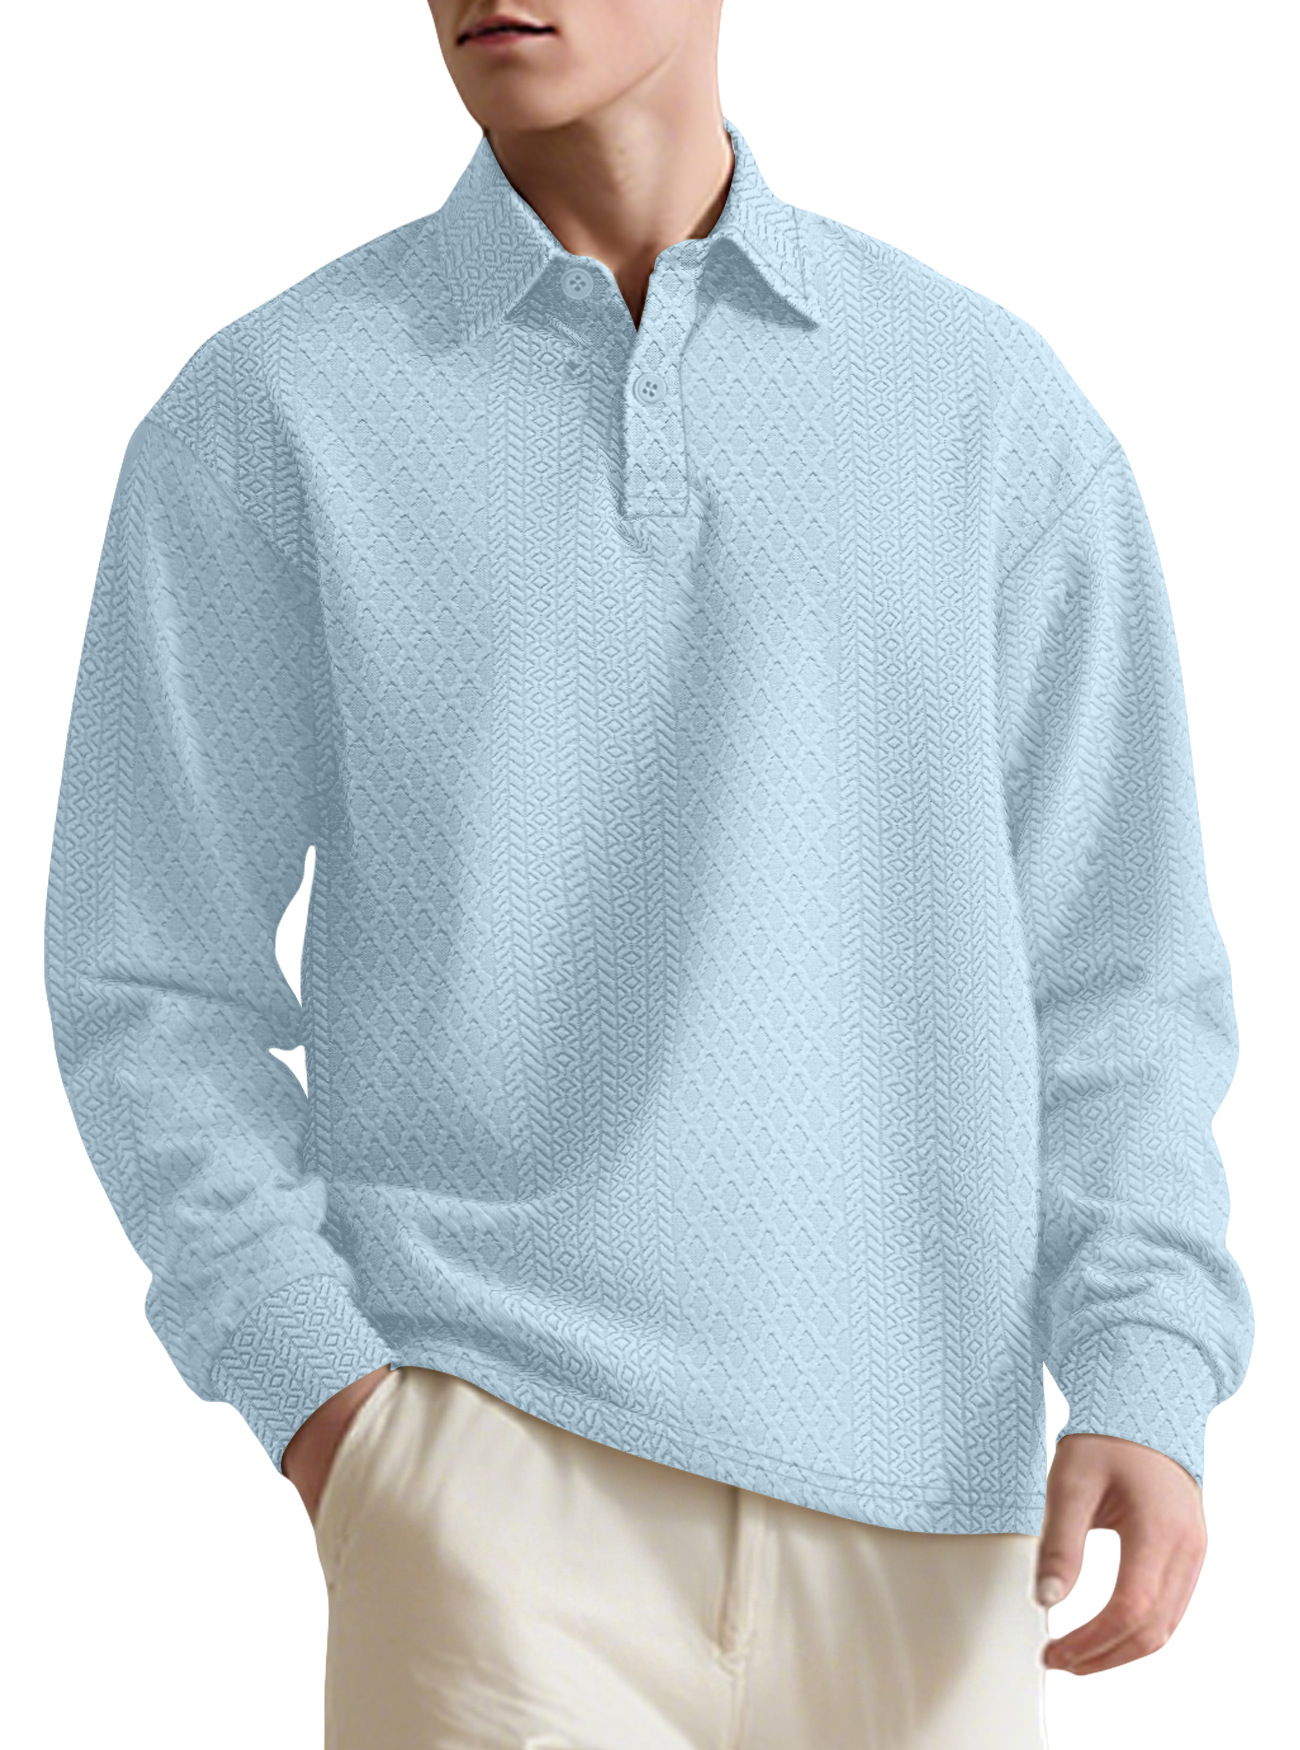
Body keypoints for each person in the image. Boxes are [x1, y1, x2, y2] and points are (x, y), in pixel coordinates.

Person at [45, 2, 1253, 1745]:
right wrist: (332, 1407)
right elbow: (149, 973)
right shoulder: (274, 411)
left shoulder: (980, 407)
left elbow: (1118, 961)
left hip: (931, 1507)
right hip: (489, 1476)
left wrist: (1143, 1353)